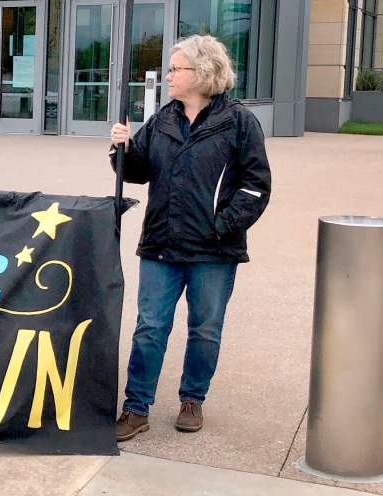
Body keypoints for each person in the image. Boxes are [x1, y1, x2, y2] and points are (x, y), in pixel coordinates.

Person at [109, 35, 271, 441]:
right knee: (149, 327)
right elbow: (138, 171)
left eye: (174, 69)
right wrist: (121, 149)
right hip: (161, 244)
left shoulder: (238, 122)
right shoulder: (162, 119)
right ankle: (136, 408)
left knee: (205, 329)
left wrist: (222, 225)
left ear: (201, 73)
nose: (167, 76)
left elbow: (255, 186)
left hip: (214, 250)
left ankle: (192, 399)